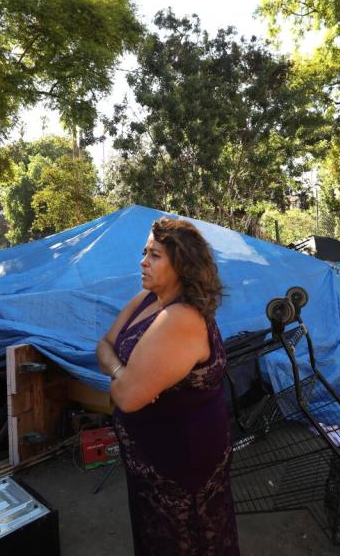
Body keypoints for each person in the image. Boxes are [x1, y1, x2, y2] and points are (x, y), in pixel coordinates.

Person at [95, 217, 239, 556]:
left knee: (188, 541)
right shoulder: (148, 300)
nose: (142, 262)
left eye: (155, 255)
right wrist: (122, 371)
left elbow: (127, 398)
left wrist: (121, 381)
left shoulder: (180, 318)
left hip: (180, 467)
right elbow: (102, 346)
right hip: (153, 463)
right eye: (145, 252)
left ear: (182, 265)